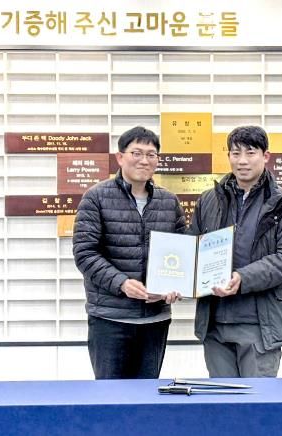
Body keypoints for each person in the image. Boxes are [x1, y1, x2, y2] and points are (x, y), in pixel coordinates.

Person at [190, 125, 282, 377]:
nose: (242, 161)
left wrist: (243, 278)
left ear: (265, 156)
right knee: (221, 397)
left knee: (256, 398)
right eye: (235, 153)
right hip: (215, 322)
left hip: (259, 324)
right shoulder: (209, 200)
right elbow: (192, 249)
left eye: (250, 152)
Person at [73, 126, 186, 379]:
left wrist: (175, 285)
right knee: (110, 395)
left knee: (147, 395)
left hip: (155, 320)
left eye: (151, 154)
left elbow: (181, 252)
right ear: (120, 157)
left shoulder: (169, 202)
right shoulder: (96, 198)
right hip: (110, 319)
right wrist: (122, 283)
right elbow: (85, 253)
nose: (144, 160)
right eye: (136, 153)